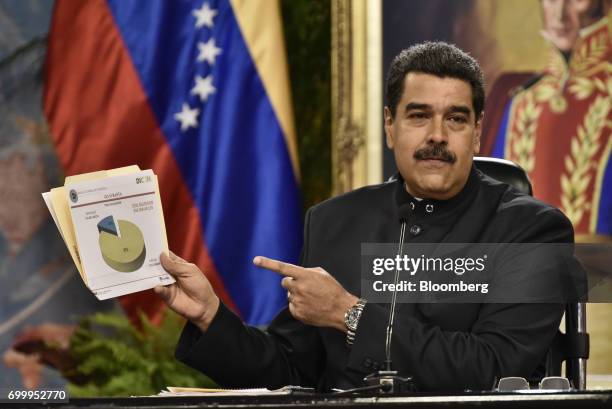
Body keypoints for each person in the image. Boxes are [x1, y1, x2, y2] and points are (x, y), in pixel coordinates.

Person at [155, 42, 573, 392]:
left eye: (456, 119)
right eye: (418, 115)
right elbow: (291, 370)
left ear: (478, 131)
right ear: (390, 126)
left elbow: (495, 367)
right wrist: (210, 316)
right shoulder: (334, 221)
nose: (437, 136)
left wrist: (350, 314)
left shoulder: (533, 231)